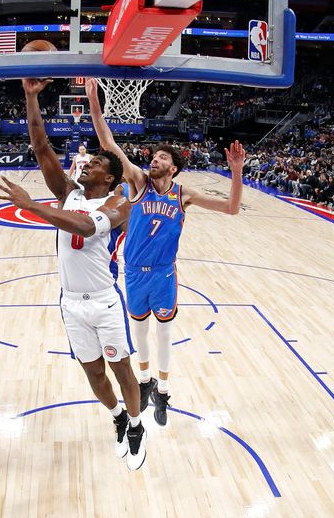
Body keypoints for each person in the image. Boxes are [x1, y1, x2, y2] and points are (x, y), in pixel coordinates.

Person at [0, 78, 145, 470]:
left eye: (94, 163)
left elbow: (81, 228)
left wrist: (32, 206)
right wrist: (30, 97)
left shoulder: (120, 203)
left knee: (121, 369)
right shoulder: (69, 192)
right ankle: (116, 415)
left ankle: (134, 424)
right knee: (94, 373)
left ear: (109, 176)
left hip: (104, 302)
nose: (86, 164)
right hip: (71, 303)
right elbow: (40, 145)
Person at [86, 77, 245, 427]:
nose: (153, 160)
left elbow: (232, 208)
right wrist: (95, 103)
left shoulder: (183, 194)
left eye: (160, 158)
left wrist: (236, 172)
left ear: (172, 168)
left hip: (163, 274)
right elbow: (108, 142)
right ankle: (145, 383)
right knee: (139, 332)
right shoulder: (137, 183)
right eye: (153, 156)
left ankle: (165, 392)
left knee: (164, 333)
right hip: (134, 271)